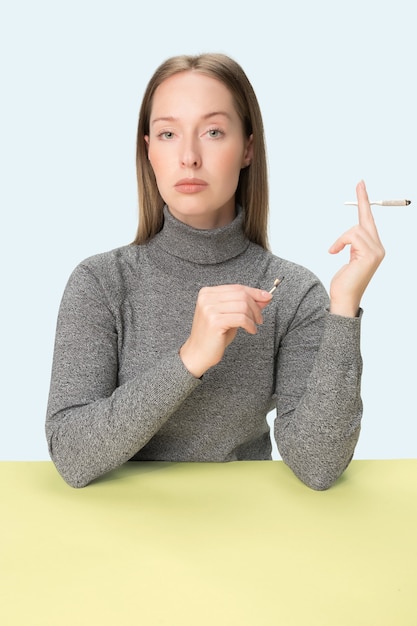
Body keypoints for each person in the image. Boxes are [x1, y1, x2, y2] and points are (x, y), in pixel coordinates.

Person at [45, 53, 384, 489]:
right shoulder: (100, 283)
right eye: (168, 133)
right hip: (118, 543)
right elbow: (71, 455)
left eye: (213, 132)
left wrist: (343, 309)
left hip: (246, 540)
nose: (188, 156)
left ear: (246, 149)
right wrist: (191, 358)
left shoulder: (294, 293)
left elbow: (318, 466)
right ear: (148, 149)